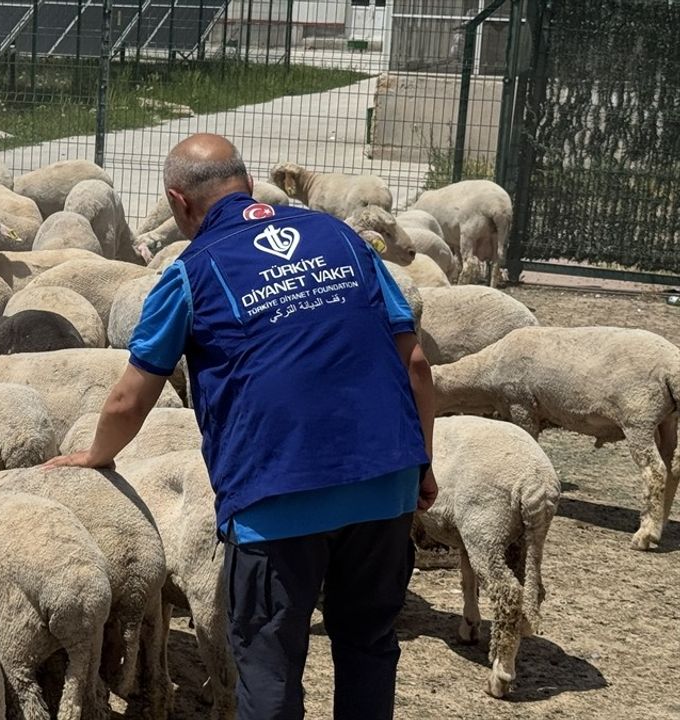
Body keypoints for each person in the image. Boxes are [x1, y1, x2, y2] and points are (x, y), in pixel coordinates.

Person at [46, 133, 437, 720]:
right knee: (369, 646)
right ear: (250, 185)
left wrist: (94, 455)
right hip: (385, 479)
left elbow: (130, 398)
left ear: (178, 203)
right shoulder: (341, 238)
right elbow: (416, 364)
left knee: (269, 669)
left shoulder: (189, 272)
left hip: (274, 494)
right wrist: (422, 461)